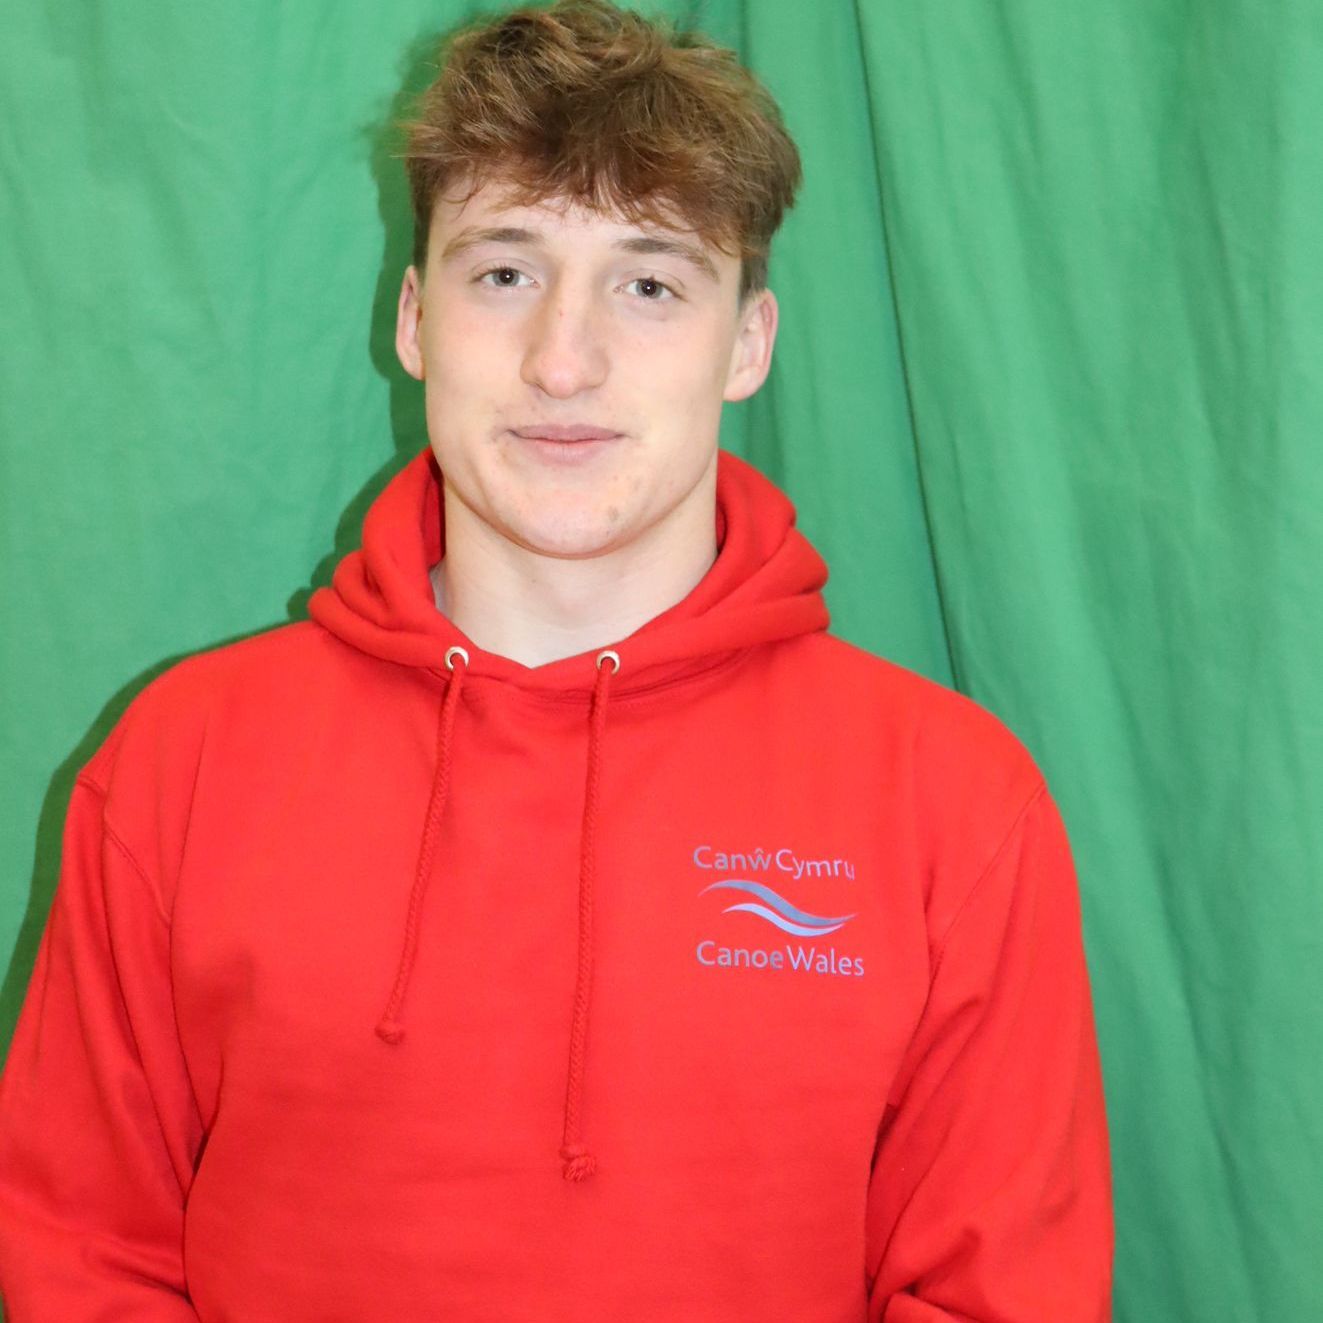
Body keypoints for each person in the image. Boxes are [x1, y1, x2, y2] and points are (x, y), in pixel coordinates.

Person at [0, 0, 1112, 1318]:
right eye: (505, 272)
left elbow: (1001, 1290)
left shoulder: (950, 801)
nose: (563, 361)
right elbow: (78, 1256)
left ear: (747, 342)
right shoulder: (184, 761)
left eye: (648, 283)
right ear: (414, 319)